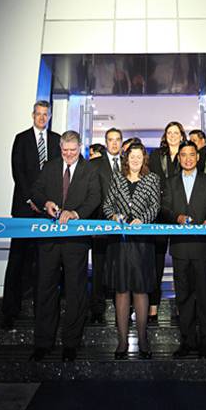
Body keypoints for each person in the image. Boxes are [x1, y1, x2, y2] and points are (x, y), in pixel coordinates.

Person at [29, 130, 101, 362]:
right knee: (45, 290)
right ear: (60, 148)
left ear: (80, 147)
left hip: (75, 242)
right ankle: (42, 343)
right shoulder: (50, 167)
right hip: (49, 240)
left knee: (75, 291)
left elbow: (94, 198)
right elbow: (36, 191)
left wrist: (75, 213)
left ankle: (71, 343)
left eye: (73, 150)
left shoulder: (90, 170)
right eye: (65, 151)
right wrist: (46, 202)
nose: (69, 155)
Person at [1, 100, 60, 330]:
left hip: (46, 212)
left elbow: (56, 175)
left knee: (44, 263)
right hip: (25, 209)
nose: (42, 118)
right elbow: (18, 173)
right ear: (32, 115)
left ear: (49, 116)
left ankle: (40, 311)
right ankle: (9, 311)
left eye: (46, 115)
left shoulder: (56, 140)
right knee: (16, 261)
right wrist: (33, 200)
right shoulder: (21, 138)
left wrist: (46, 203)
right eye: (39, 114)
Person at [162, 140, 206, 358]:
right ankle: (187, 341)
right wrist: (175, 217)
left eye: (191, 154)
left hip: (204, 247)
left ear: (197, 157)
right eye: (183, 154)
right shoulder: (170, 183)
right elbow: (164, 208)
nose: (187, 158)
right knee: (183, 298)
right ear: (179, 158)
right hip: (180, 248)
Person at [102, 141, 161, 359]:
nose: (135, 160)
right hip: (120, 243)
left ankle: (143, 338)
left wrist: (141, 219)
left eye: (139, 156)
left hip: (142, 242)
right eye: (131, 156)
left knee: (141, 289)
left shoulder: (152, 179)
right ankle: (122, 340)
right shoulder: (116, 178)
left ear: (144, 159)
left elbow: (155, 206)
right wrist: (115, 216)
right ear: (126, 159)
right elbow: (107, 205)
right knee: (121, 290)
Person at [148, 121, 187, 323]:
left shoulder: (188, 154)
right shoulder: (155, 155)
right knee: (156, 263)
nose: (172, 135)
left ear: (182, 135)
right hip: (159, 212)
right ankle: (153, 308)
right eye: (169, 132)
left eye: (176, 132)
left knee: (182, 264)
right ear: (165, 135)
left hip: (181, 212)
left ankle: (182, 309)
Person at [90, 127, 124, 323]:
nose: (114, 143)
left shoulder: (129, 164)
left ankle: (123, 308)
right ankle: (97, 308)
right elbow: (94, 196)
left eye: (117, 139)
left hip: (124, 227)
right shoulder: (95, 165)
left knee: (122, 268)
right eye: (110, 140)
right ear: (105, 142)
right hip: (102, 225)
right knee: (99, 269)